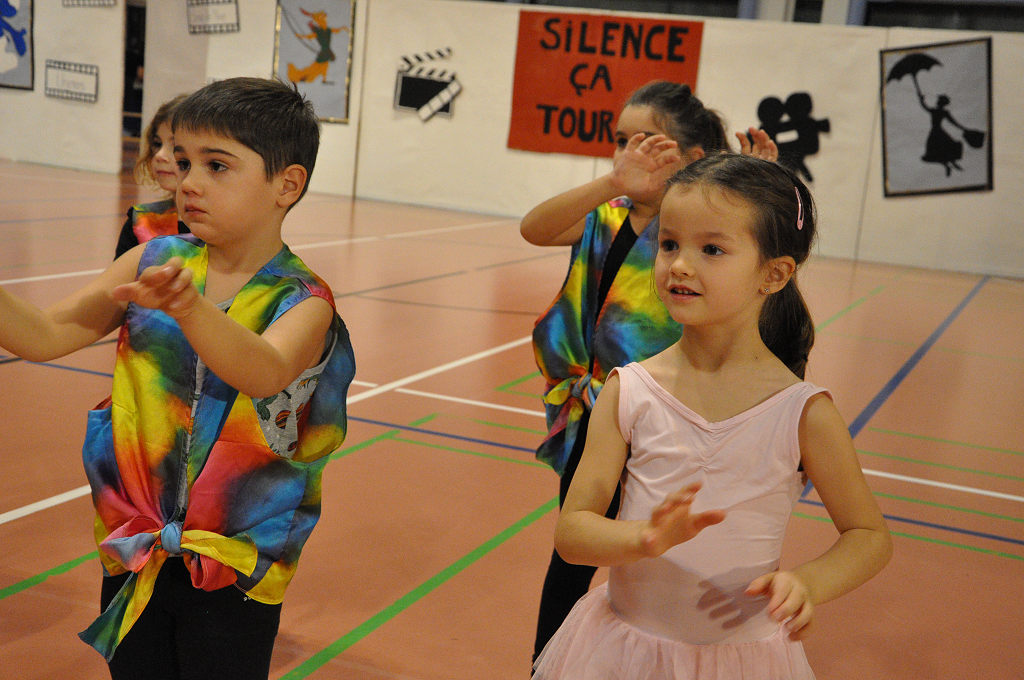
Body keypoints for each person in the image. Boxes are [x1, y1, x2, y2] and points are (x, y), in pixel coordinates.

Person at [0, 77, 356, 680]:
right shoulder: (153, 259)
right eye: (184, 161)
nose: (188, 181)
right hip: (134, 546)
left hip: (234, 567)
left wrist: (189, 308)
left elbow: (263, 371)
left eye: (217, 166)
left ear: (287, 185)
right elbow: (45, 333)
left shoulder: (304, 300)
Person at [532, 153, 893, 679]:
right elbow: (572, 532)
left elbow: (868, 535)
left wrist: (809, 582)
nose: (679, 264)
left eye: (712, 249)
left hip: (745, 662)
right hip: (622, 654)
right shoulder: (629, 391)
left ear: (774, 274)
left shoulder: (803, 412)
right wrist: (643, 538)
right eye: (669, 244)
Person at [522, 80, 778, 661]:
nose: (629, 154)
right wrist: (612, 183)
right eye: (621, 141)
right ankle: (548, 665)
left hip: (668, 418)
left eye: (647, 143)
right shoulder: (605, 215)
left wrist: (760, 189)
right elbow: (534, 227)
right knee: (572, 554)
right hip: (596, 414)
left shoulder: (692, 240)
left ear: (691, 158)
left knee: (661, 557)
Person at [115, 94, 192, 258]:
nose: (160, 155)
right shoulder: (141, 222)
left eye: (175, 147)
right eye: (157, 144)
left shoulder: (226, 229)